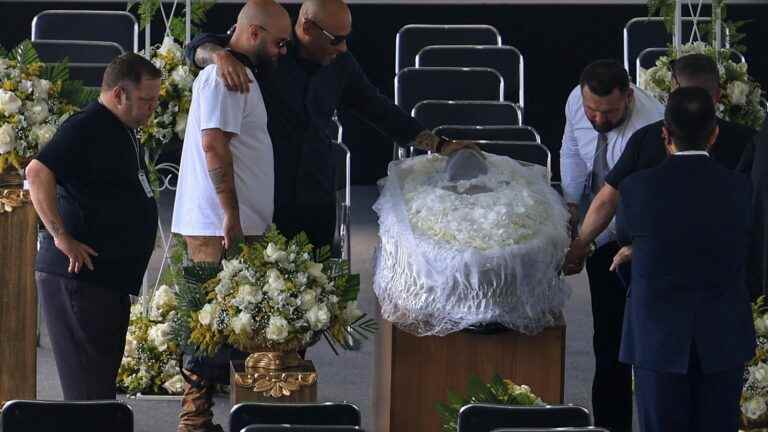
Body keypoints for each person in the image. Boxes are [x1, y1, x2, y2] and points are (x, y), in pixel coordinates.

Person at [186, 0, 466, 249]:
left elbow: (381, 111)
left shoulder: (341, 63)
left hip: (317, 195)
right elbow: (199, 47)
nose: (343, 47)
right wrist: (218, 55)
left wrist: (440, 145)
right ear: (307, 27)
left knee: (318, 292)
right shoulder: (271, 48)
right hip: (265, 200)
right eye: (336, 39)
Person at [170, 1, 292, 431]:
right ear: (253, 34)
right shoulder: (227, 77)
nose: (282, 51)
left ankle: (206, 418)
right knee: (206, 323)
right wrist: (231, 216)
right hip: (216, 224)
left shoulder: (238, 74)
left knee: (223, 322)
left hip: (223, 221)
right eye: (279, 43)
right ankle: (194, 421)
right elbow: (213, 146)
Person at [613, 87, 755, 432]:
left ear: (664, 132)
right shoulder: (742, 189)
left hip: (657, 335)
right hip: (722, 335)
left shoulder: (636, 188)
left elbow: (628, 245)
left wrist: (636, 253)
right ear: (715, 133)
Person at [25, 53, 161, 400]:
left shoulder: (122, 128)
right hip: (79, 277)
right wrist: (60, 236)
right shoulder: (85, 125)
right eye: (146, 100)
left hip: (105, 280)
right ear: (119, 94)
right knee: (88, 395)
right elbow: (37, 172)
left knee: (99, 391)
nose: (152, 108)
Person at [564, 53, 757, 276]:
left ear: (666, 136)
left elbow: (609, 200)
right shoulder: (750, 142)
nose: (598, 119)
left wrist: (582, 246)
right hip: (728, 275)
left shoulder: (645, 136)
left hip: (652, 275)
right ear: (718, 96)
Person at [559, 59, 664, 432]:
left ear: (629, 97)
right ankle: (610, 427)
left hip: (640, 236)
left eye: (609, 112)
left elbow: (622, 203)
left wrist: (583, 244)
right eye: (593, 110)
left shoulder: (652, 127)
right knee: (608, 341)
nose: (599, 120)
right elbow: (572, 148)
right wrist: (571, 205)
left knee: (641, 343)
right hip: (594, 230)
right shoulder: (578, 100)